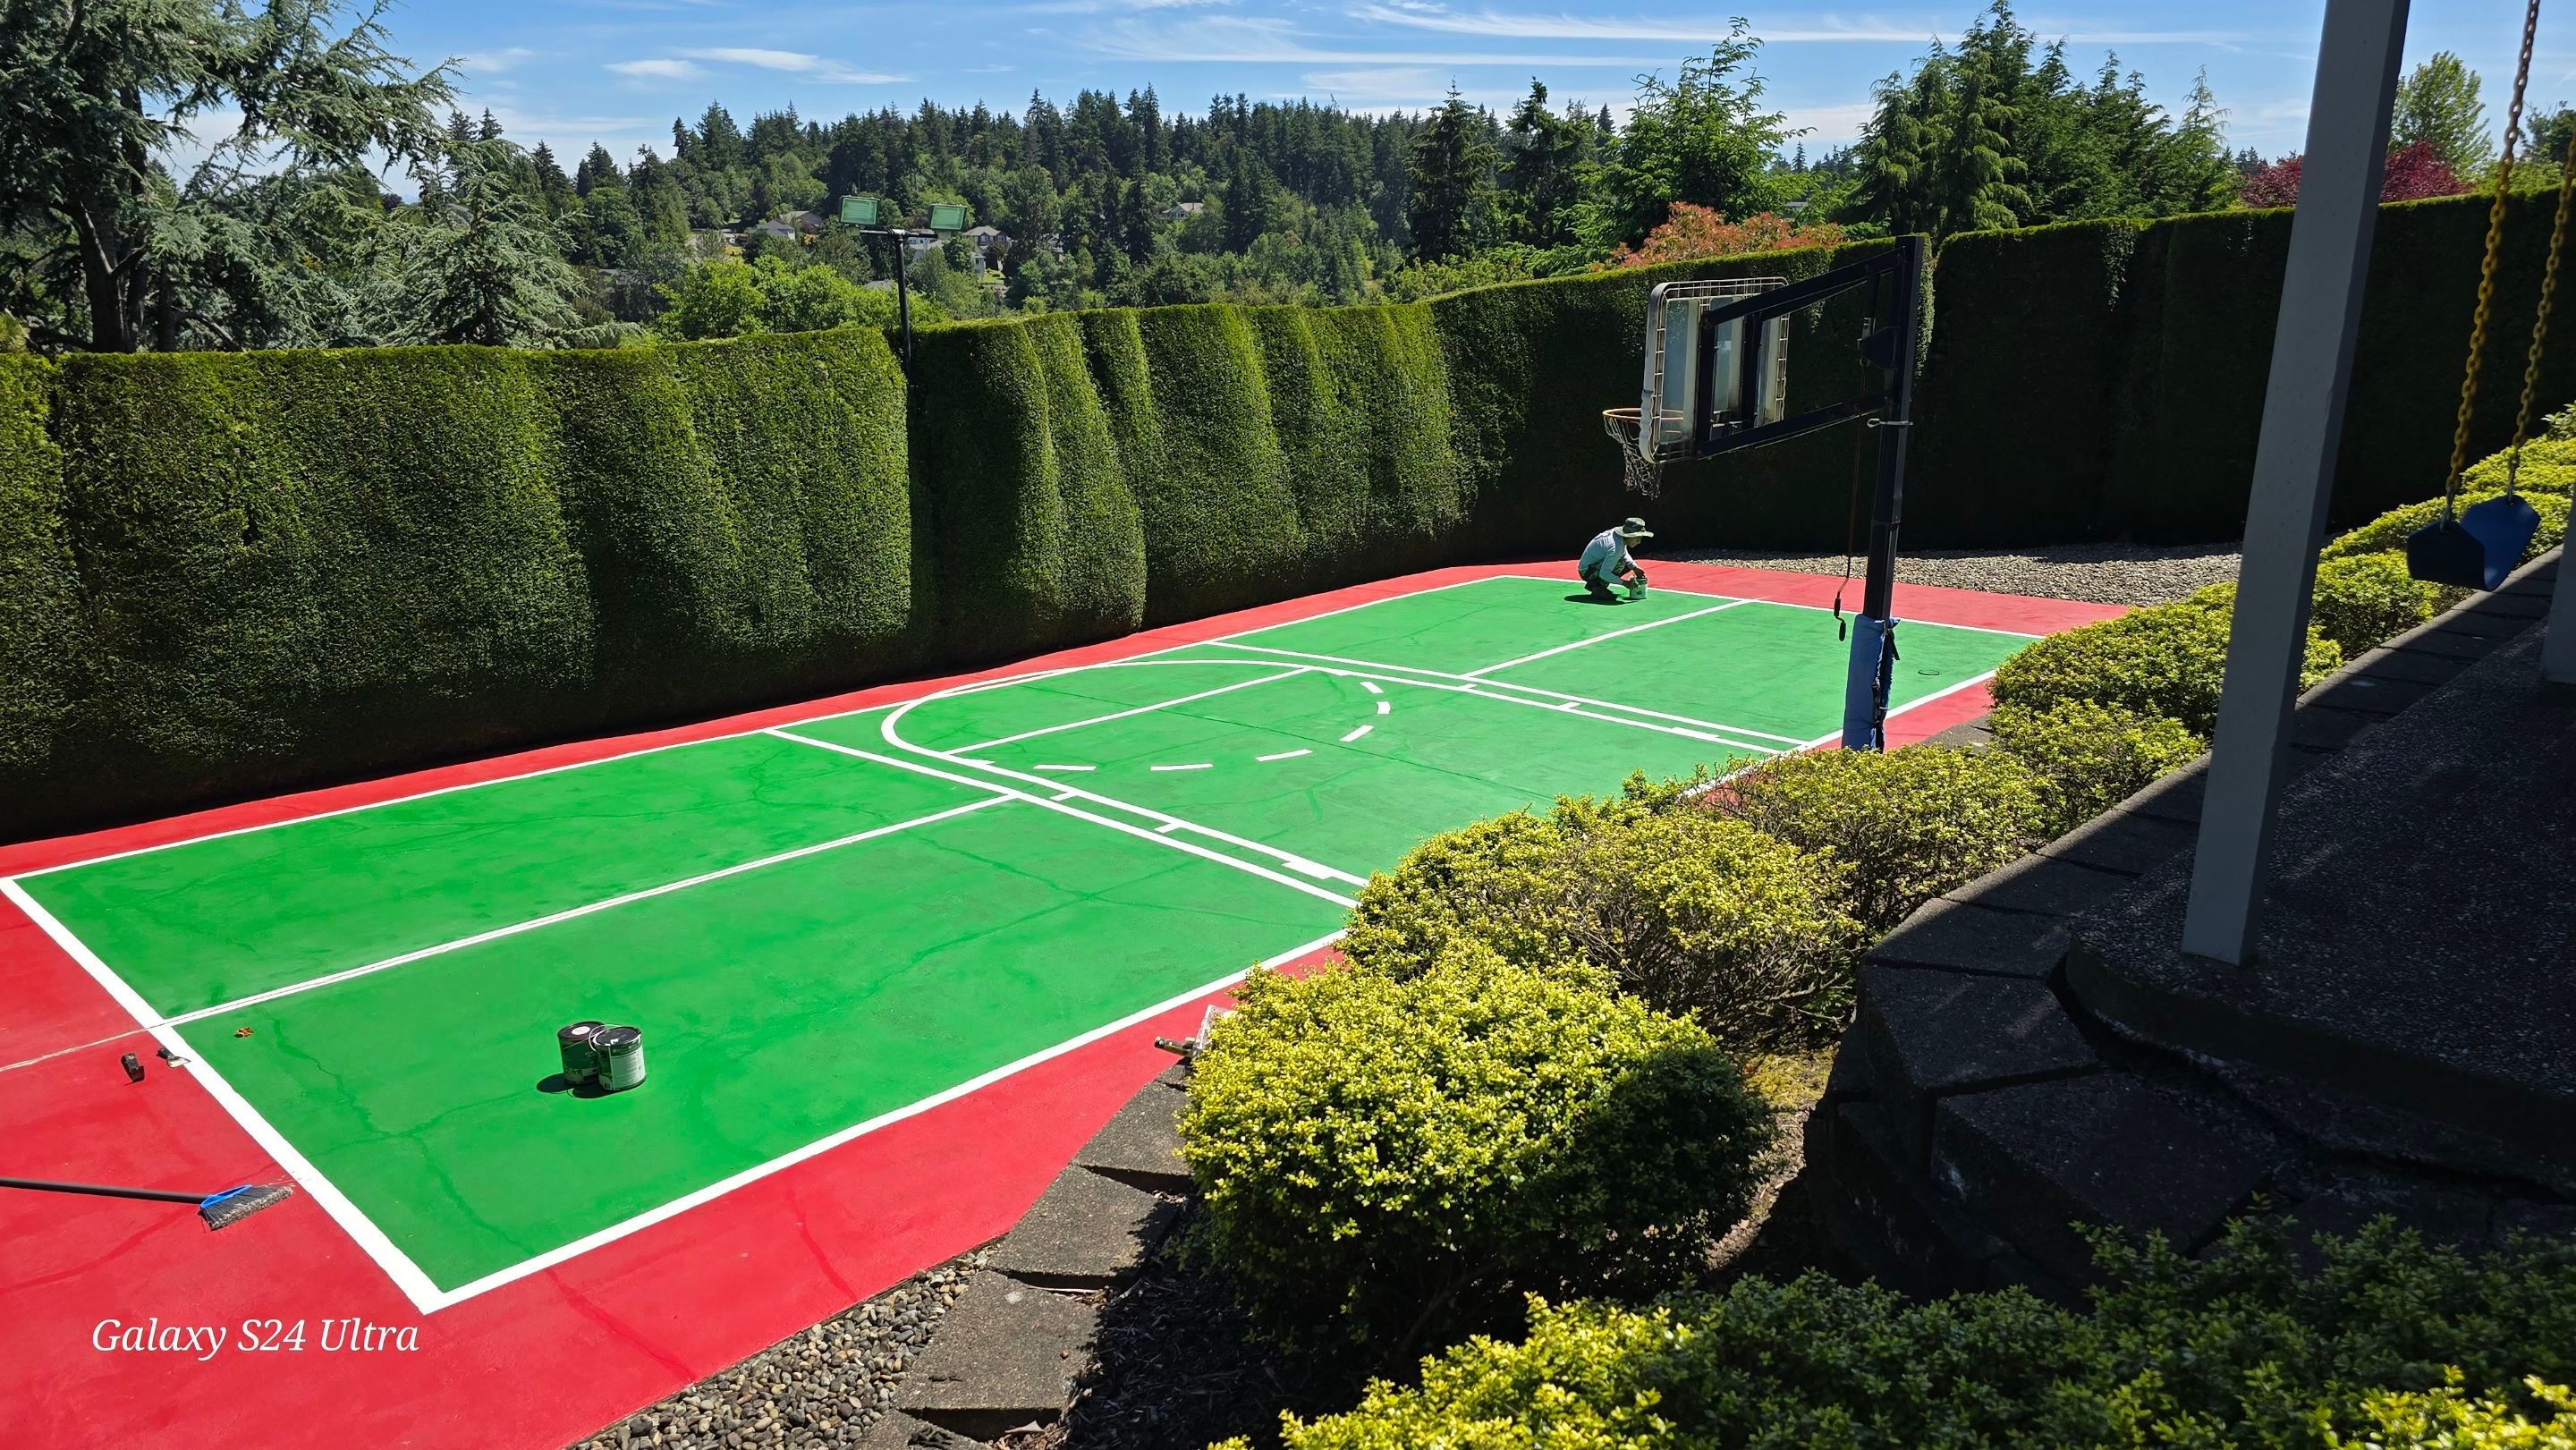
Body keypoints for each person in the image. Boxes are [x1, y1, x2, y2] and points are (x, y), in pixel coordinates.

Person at [1577, 517, 1653, 600]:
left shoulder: (1617, 537)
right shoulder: (1615, 547)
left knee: (1627, 564)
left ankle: (1596, 585)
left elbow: (1624, 553)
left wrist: (1635, 567)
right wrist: (1624, 583)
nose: (1639, 541)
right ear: (1629, 536)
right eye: (1637, 538)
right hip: (1587, 572)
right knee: (1621, 562)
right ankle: (1599, 588)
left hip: (1589, 568)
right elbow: (1604, 573)